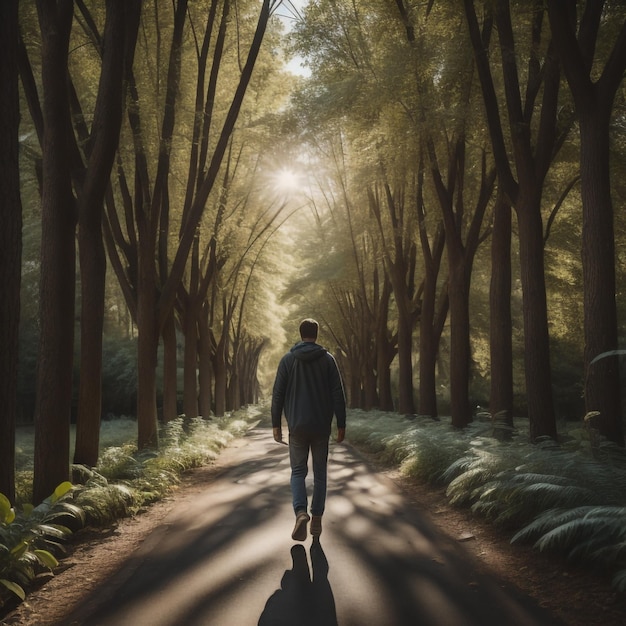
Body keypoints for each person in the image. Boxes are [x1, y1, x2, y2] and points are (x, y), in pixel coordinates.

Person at [271, 318, 346, 541]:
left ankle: (300, 512)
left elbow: (278, 394)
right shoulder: (328, 360)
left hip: (297, 426)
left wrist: (276, 425)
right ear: (317, 333)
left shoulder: (287, 360)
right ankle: (317, 518)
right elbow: (337, 394)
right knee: (320, 474)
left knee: (297, 472)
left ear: (300, 333)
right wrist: (341, 424)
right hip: (321, 426)